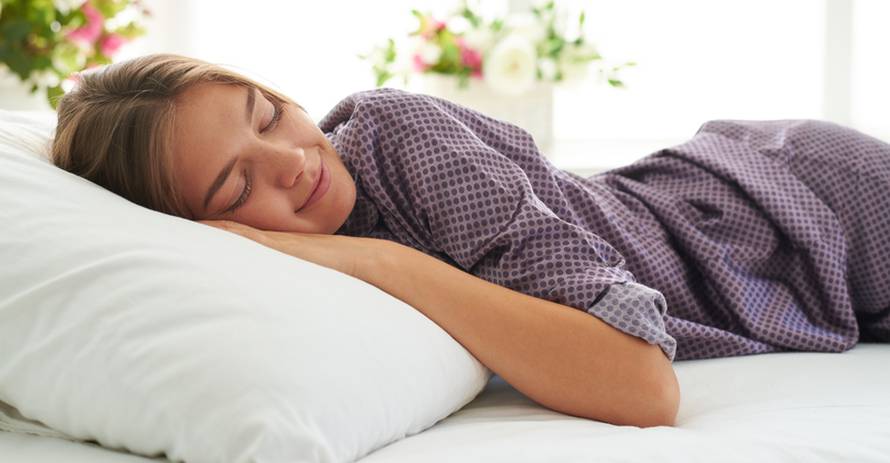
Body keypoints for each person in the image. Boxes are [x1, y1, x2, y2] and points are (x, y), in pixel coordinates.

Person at [49, 54, 890, 428]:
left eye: (268, 115)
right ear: (210, 228)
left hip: (788, 200)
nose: (294, 161)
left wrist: (382, 261)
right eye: (238, 187)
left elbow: (644, 387)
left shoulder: (397, 137)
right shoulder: (255, 270)